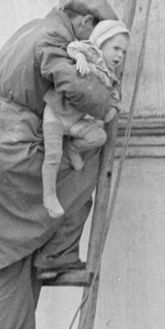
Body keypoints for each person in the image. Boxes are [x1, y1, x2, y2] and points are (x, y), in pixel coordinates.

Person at [0, 0, 125, 329]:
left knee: (11, 244)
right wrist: (108, 103)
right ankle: (59, 253)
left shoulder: (30, 28)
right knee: (86, 163)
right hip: (9, 145)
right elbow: (67, 81)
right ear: (84, 23)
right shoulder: (54, 37)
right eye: (93, 35)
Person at [41, 19, 129, 219]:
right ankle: (49, 196)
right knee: (52, 155)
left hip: (74, 122)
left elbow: (114, 101)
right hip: (55, 113)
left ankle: (72, 148)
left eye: (123, 52)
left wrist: (112, 109)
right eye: (116, 48)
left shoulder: (110, 78)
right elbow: (73, 47)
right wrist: (80, 58)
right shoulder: (92, 54)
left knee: (99, 136)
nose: (119, 55)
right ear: (102, 42)